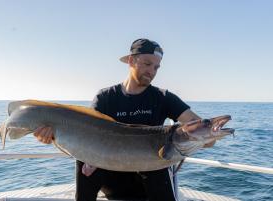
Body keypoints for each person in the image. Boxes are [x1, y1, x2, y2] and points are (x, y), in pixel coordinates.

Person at [34, 38, 216, 201]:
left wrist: (209, 136)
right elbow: (85, 136)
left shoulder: (163, 97)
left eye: (156, 67)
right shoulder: (105, 97)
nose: (152, 71)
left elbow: (197, 127)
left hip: (150, 173)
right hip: (110, 173)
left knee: (160, 159)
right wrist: (51, 137)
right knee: (83, 160)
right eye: (147, 64)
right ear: (131, 60)